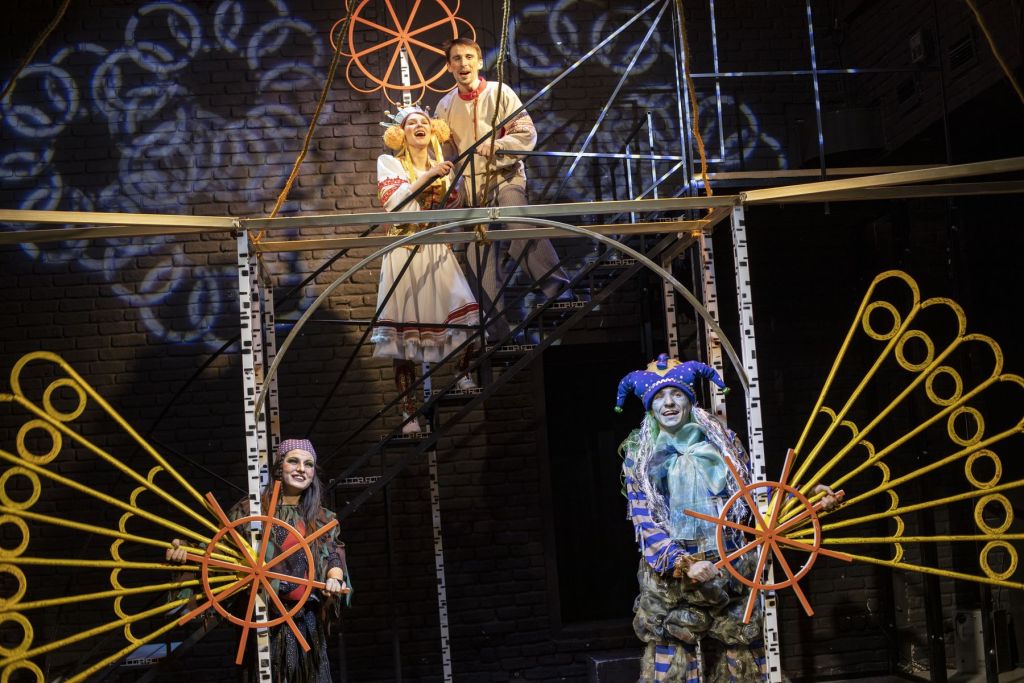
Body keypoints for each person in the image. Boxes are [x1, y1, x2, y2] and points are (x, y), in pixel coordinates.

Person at [615, 356, 839, 682]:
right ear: (651, 406)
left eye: (676, 394)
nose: (669, 403)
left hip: (730, 564)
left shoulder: (721, 441)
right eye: (660, 397)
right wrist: (683, 563)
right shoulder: (641, 454)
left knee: (744, 661)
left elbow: (753, 499)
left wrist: (808, 502)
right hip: (675, 578)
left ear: (689, 399)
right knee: (673, 666)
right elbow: (644, 520)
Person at [167, 438, 349, 682]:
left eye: (308, 464)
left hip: (306, 622)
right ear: (279, 467)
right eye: (293, 461)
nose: (301, 469)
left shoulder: (322, 518)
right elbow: (220, 552)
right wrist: (186, 555)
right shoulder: (250, 512)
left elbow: (333, 555)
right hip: (262, 620)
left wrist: (334, 578)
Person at [433, 36, 572, 343]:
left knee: (517, 220)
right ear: (449, 66)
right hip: (472, 188)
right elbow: (446, 153)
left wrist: (498, 146)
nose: (463, 63)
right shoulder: (445, 105)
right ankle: (496, 334)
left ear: (479, 62)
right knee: (478, 257)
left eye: (469, 57)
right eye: (456, 58)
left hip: (505, 176)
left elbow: (526, 132)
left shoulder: (500, 93)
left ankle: (559, 290)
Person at [374, 105, 481, 434]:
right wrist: (428, 176)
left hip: (435, 247)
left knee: (467, 313)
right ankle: (408, 412)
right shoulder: (389, 162)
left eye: (424, 122)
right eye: (411, 123)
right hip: (404, 249)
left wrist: (450, 184)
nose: (419, 126)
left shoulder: (443, 167)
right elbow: (394, 204)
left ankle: (462, 371)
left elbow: (453, 208)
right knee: (405, 339)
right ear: (401, 133)